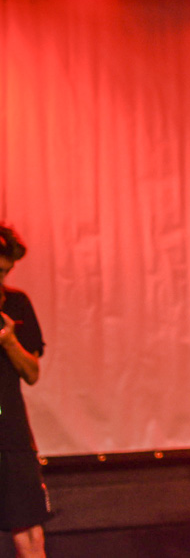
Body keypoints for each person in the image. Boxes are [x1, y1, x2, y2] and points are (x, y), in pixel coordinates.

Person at [0, 225, 51, 558]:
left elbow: (32, 373)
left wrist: (8, 340)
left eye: (5, 272)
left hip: (10, 431)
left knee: (30, 530)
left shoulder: (16, 304)